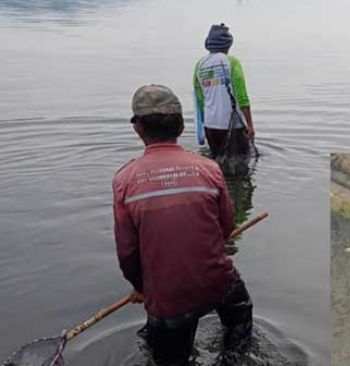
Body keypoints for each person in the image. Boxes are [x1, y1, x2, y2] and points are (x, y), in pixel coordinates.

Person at [113, 84, 253, 366]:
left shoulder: (124, 181)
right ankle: (234, 356)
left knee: (167, 353)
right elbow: (226, 228)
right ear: (180, 125)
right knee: (240, 316)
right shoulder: (209, 169)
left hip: (167, 300)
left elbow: (127, 254)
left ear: (138, 129)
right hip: (217, 282)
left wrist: (141, 287)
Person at [194, 23, 254, 159]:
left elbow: (200, 98)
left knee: (217, 165)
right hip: (233, 125)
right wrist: (250, 125)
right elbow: (242, 96)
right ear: (228, 44)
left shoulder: (200, 64)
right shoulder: (232, 62)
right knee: (241, 166)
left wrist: (205, 123)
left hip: (210, 125)